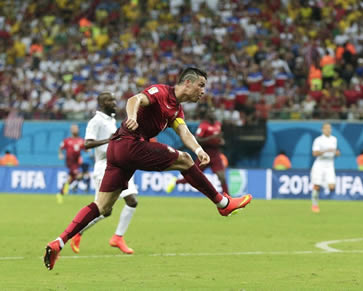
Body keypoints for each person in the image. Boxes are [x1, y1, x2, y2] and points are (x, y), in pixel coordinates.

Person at [44, 67, 253, 270]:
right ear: (187, 83)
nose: (203, 91)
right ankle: (223, 203)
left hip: (117, 151)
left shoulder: (176, 110)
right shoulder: (161, 92)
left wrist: (199, 149)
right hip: (129, 144)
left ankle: (58, 242)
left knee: (102, 206)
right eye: (201, 85)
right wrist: (133, 117)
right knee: (184, 160)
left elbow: (184, 132)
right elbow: (134, 100)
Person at [70, 92, 138, 255]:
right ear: (101, 104)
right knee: (104, 209)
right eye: (109, 100)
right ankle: (77, 232)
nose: (113, 102)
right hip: (104, 167)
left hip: (119, 166)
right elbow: (87, 144)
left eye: (114, 99)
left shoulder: (111, 120)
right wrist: (110, 140)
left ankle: (117, 237)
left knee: (129, 202)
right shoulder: (96, 121)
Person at [166, 109, 229, 194]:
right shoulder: (203, 126)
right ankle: (176, 181)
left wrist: (221, 140)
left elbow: (218, 137)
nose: (213, 115)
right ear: (208, 115)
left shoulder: (218, 124)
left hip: (215, 154)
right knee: (194, 177)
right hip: (204, 154)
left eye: (214, 113)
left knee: (222, 177)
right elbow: (198, 139)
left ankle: (228, 197)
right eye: (211, 113)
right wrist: (212, 138)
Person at [310, 122, 340, 213]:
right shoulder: (318, 140)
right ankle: (314, 205)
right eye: (326, 128)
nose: (328, 130)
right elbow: (315, 153)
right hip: (320, 163)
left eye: (329, 128)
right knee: (316, 185)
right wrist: (326, 151)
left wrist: (337, 153)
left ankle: (323, 186)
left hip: (330, 163)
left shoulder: (334, 139)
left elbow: (335, 152)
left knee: (331, 187)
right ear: (322, 130)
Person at [57, 124, 85, 203]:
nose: (75, 130)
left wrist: (85, 156)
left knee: (71, 178)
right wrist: (60, 154)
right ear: (71, 130)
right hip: (70, 162)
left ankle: (61, 193)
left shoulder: (81, 140)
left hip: (77, 162)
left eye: (76, 128)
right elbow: (60, 148)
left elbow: (86, 150)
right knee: (79, 176)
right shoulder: (67, 140)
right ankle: (70, 187)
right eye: (73, 128)